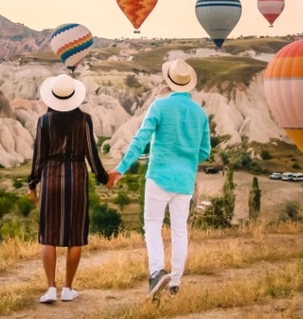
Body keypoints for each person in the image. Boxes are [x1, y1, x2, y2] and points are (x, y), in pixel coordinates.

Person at [108, 58, 211, 300]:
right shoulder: (200, 114)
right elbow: (205, 151)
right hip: (185, 182)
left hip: (159, 177)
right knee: (179, 230)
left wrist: (120, 169)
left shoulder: (159, 106)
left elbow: (140, 140)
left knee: (152, 225)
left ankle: (156, 272)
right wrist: (187, 157)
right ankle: (175, 280)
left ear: (169, 81)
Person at [28, 73, 109, 304]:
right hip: (76, 178)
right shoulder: (84, 120)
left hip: (50, 178)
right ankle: (68, 289)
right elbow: (92, 155)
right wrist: (103, 178)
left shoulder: (44, 121)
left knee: (48, 236)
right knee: (75, 236)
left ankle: (50, 288)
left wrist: (32, 183)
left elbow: (38, 157)